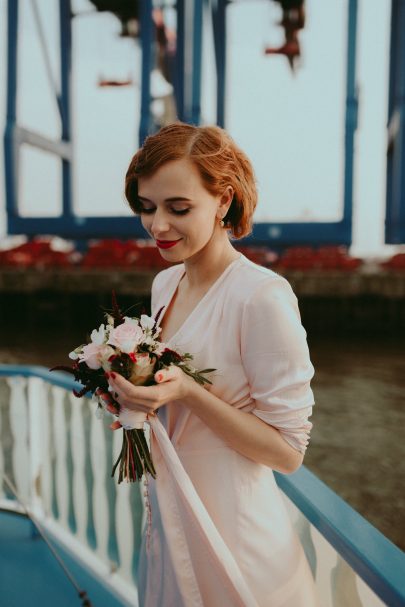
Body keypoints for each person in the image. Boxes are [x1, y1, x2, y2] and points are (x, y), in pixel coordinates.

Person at [103, 122, 320, 606]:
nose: (158, 225)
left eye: (179, 208)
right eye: (147, 207)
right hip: (170, 516)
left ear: (224, 202)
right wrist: (132, 397)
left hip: (235, 536)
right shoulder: (165, 285)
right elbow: (169, 397)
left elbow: (289, 453)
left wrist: (187, 393)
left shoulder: (260, 297)